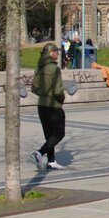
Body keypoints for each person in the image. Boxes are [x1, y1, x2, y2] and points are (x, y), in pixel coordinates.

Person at [30, 42, 67, 171]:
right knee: (59, 133)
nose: (58, 53)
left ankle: (51, 161)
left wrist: (42, 94)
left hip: (41, 105)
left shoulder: (39, 66)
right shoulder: (54, 69)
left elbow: (34, 86)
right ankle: (39, 153)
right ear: (52, 53)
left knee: (49, 134)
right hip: (53, 105)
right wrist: (62, 99)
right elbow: (58, 90)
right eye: (56, 51)